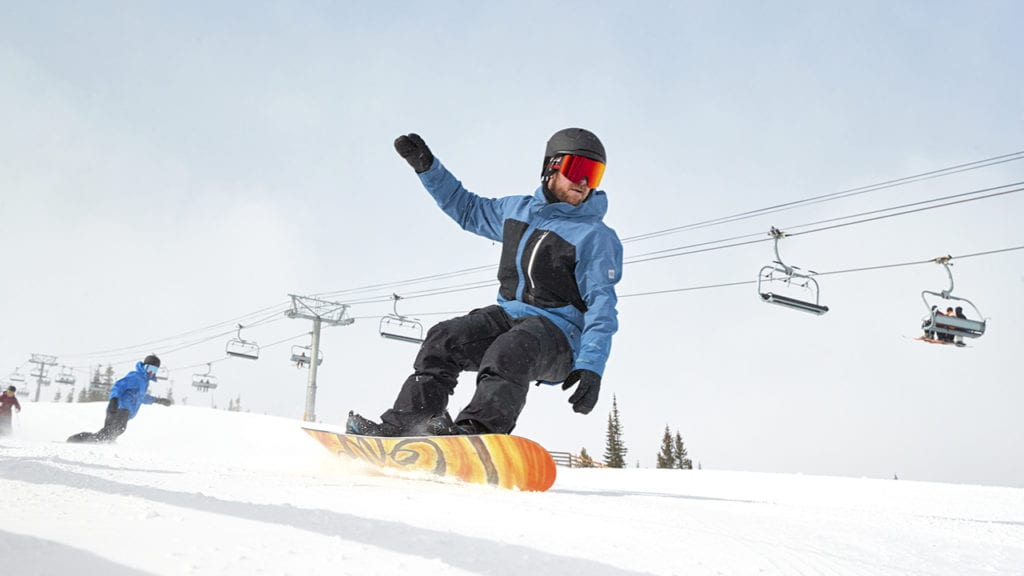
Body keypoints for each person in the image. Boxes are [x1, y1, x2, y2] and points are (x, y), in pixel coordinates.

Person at [347, 128, 623, 437]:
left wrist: (592, 365)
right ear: (552, 167)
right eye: (578, 169)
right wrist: (427, 167)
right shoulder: (516, 211)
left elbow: (602, 305)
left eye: (594, 174)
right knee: (444, 339)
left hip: (560, 337)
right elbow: (466, 208)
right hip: (511, 318)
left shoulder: (596, 236)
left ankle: (476, 432)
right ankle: (410, 425)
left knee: (511, 349)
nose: (584, 182)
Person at [67, 355, 172, 443]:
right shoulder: (135, 377)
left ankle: (91, 442)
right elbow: (118, 386)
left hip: (124, 411)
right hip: (119, 408)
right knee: (115, 430)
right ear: (144, 367)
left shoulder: (144, 381)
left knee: (110, 433)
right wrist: (114, 400)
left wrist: (158, 400)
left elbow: (140, 397)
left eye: (154, 370)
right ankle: (81, 440)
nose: (151, 372)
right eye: (150, 369)